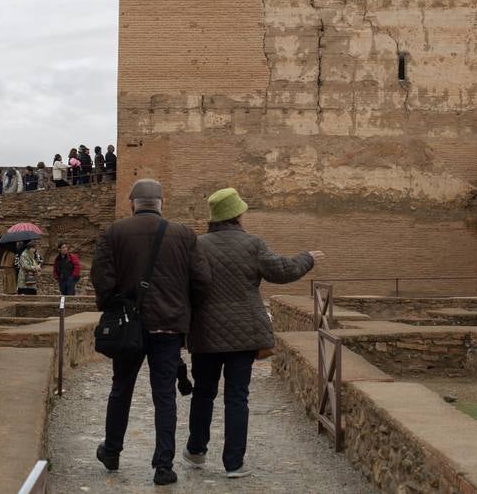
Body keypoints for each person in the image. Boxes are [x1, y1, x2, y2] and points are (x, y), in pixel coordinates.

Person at [183, 188, 320, 478]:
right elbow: (283, 270)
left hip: (205, 333)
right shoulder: (252, 244)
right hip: (244, 334)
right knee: (237, 397)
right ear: (237, 215)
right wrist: (307, 257)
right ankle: (234, 463)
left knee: (203, 393)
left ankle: (196, 450)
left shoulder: (198, 246)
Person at [91, 179, 211, 487]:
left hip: (127, 327)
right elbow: (201, 281)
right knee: (165, 396)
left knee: (121, 389)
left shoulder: (113, 232)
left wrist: (115, 305)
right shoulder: (185, 235)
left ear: (132, 202)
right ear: (162, 202)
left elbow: (101, 280)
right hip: (169, 326)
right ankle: (163, 466)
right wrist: (184, 309)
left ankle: (113, 451)